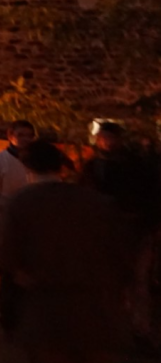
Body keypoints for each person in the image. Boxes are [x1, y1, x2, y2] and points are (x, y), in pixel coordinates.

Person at [0, 140, 131, 363]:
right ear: (60, 166)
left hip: (45, 306)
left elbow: (7, 253)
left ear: (28, 167)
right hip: (92, 306)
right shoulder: (98, 202)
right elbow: (120, 250)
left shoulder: (20, 202)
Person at [82, 121, 161, 355]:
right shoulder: (93, 166)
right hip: (105, 232)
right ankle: (108, 331)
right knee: (107, 283)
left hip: (136, 229)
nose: (105, 141)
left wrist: (149, 223)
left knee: (138, 283)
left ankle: (140, 333)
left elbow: (152, 196)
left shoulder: (138, 166)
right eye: (102, 137)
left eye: (110, 137)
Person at [0, 119, 36, 335]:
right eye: (21, 135)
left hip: (32, 223)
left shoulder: (34, 160)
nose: (26, 139)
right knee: (9, 275)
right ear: (10, 135)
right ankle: (9, 321)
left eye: (29, 135)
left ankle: (27, 318)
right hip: (7, 222)